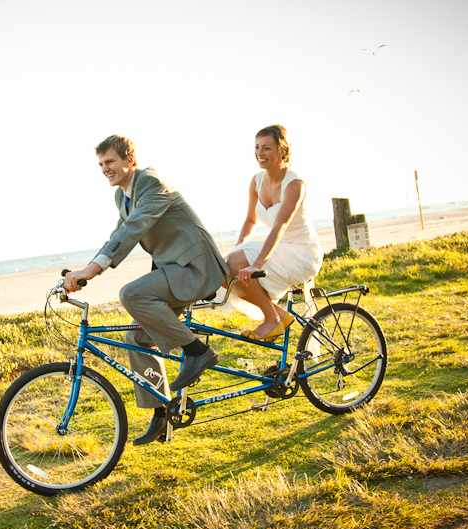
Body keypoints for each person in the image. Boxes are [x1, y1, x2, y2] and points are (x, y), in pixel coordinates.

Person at [64, 135, 229, 445]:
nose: (105, 169)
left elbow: (133, 228)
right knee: (137, 339)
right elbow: (117, 234)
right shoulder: (122, 196)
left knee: (132, 294)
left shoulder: (152, 183)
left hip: (196, 268)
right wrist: (86, 272)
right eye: (100, 164)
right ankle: (162, 412)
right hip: (174, 271)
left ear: (130, 160)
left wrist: (91, 270)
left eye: (110, 161)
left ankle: (198, 352)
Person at [226, 125, 323, 341]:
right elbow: (250, 220)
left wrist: (256, 264)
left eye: (267, 148)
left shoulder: (295, 184)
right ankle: (278, 315)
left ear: (282, 151)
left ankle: (271, 320)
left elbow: (280, 226)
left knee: (235, 264)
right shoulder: (256, 181)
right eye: (257, 147)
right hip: (278, 248)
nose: (260, 153)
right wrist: (237, 249)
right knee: (225, 270)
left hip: (301, 252)